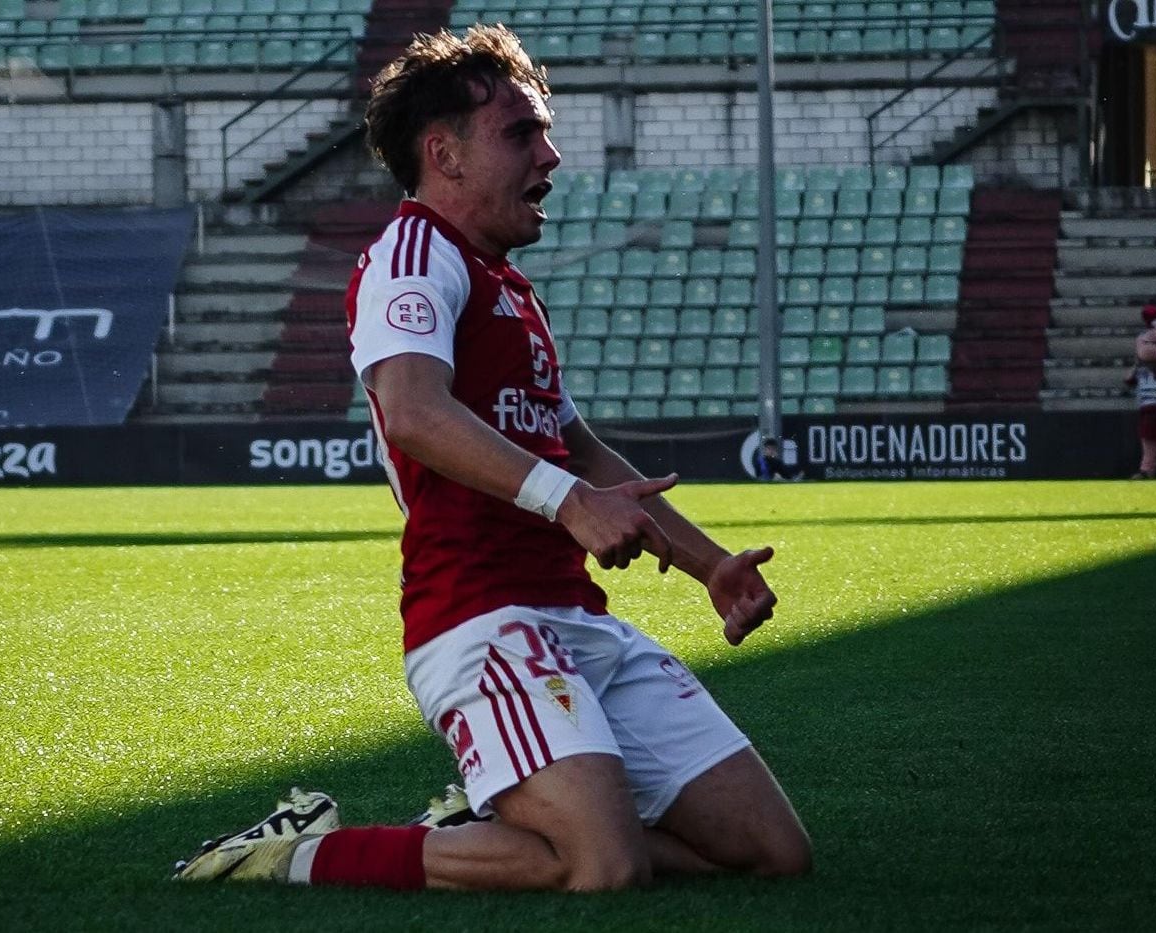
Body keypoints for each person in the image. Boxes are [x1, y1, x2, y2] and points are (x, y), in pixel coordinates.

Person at [172, 24, 811, 892]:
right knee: (603, 866)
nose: (549, 155)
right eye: (521, 133)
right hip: (480, 621)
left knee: (775, 853)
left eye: (543, 131)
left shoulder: (507, 283)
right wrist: (567, 501)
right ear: (445, 154)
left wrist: (707, 567)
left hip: (576, 616)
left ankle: (495, 817)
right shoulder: (411, 257)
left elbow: (579, 446)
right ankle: (296, 853)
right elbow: (411, 410)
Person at [1126, 303, 1156, 478]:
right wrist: (1136, 363)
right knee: (1148, 443)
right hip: (1147, 412)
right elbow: (1128, 380)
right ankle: (1146, 469)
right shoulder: (1142, 372)